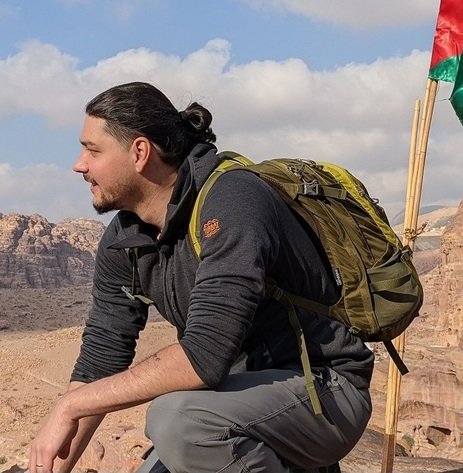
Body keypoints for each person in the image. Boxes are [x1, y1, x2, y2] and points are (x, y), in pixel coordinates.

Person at [28, 81, 374, 473]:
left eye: (92, 150)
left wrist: (70, 405)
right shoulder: (126, 239)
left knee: (178, 423)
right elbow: (102, 357)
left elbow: (203, 356)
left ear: (139, 152)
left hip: (324, 390)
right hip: (233, 400)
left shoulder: (234, 200)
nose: (79, 164)